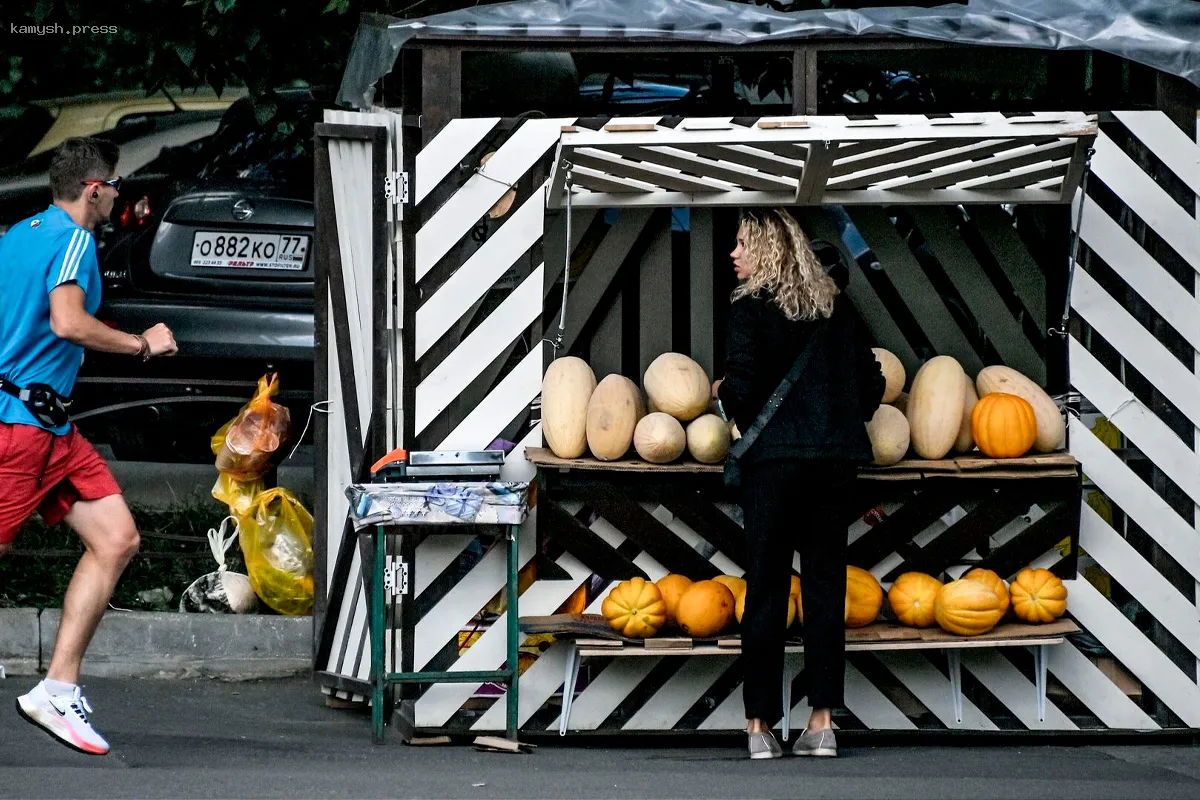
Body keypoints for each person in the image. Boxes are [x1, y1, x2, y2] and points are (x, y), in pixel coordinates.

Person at [0, 137, 178, 755]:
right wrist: (142, 345)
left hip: (47, 424)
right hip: (21, 427)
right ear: (94, 189)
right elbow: (68, 322)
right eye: (116, 186)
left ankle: (57, 690)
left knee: (117, 539)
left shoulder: (19, 234)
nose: (119, 196)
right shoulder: (75, 239)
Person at [714, 208, 884, 760]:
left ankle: (759, 727)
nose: (734, 253)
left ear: (767, 249)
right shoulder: (835, 306)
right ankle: (822, 724)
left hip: (774, 466)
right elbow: (872, 385)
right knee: (825, 589)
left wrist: (726, 398)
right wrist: (833, 417)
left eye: (743, 244)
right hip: (833, 465)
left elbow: (740, 391)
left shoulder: (749, 309)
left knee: (766, 588)